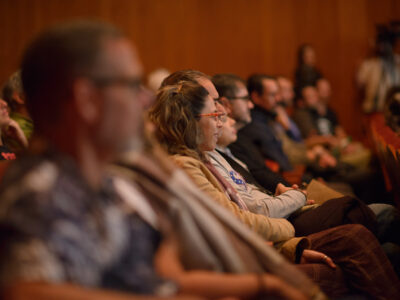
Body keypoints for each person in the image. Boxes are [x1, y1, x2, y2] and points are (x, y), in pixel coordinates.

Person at [0, 21, 310, 300]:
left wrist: (265, 286)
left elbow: (168, 278)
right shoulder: (36, 190)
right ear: (86, 100)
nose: (146, 99)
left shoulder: (110, 181)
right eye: (131, 84)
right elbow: (27, 291)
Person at [148, 79, 400, 299]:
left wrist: (289, 240)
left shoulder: (203, 156)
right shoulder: (184, 165)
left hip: (267, 238)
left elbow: (244, 204)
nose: (221, 122)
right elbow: (234, 223)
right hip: (253, 253)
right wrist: (290, 233)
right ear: (188, 122)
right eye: (215, 115)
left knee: (377, 245)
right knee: (360, 233)